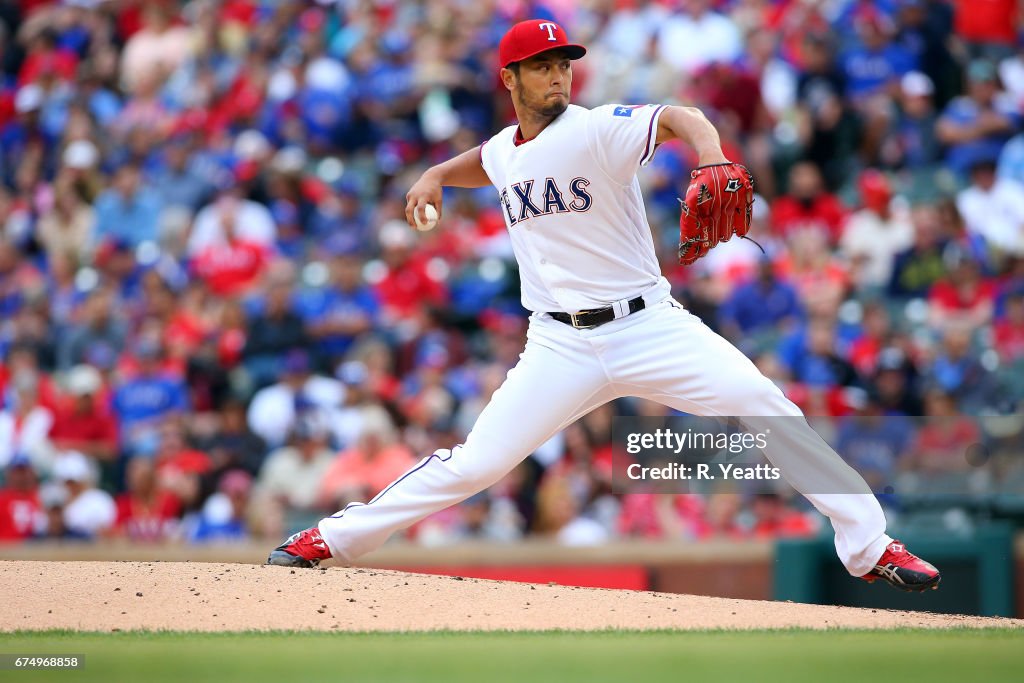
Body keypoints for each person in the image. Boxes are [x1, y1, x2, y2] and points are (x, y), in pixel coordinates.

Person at [268, 19, 940, 592]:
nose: (558, 76)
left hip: (649, 326)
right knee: (475, 463)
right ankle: (331, 538)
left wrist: (709, 153)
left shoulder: (596, 129)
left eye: (563, 64)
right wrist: (438, 173)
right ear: (511, 80)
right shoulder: (506, 149)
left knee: (768, 407)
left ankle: (869, 545)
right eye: (542, 67)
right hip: (558, 346)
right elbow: (492, 158)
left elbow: (679, 115)